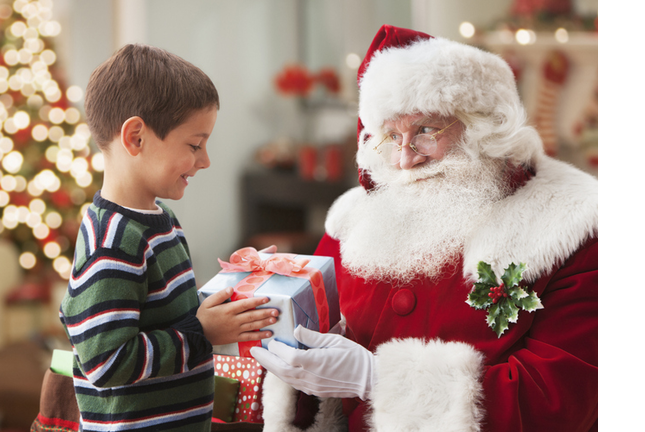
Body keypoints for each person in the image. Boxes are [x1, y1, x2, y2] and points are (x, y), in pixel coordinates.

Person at [251, 25, 598, 432]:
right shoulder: (352, 218)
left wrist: (375, 378)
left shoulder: (574, 225)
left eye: (426, 131)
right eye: (391, 136)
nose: (404, 159)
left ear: (484, 127)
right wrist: (273, 306)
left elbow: (556, 402)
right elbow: (302, 365)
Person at [58, 44, 279, 432]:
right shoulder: (113, 242)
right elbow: (106, 362)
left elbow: (171, 313)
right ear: (136, 138)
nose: (205, 160)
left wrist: (237, 286)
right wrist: (202, 335)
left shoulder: (162, 220)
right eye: (194, 145)